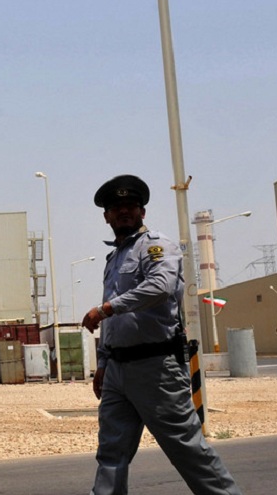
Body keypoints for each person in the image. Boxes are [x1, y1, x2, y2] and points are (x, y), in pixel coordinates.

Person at [81, 174, 241, 495]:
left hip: (155, 368)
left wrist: (107, 308)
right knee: (111, 452)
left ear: (142, 212)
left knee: (186, 448)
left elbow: (160, 286)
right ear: (106, 217)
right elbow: (115, 323)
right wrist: (103, 363)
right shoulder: (114, 259)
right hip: (117, 372)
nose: (124, 211)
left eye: (131, 206)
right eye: (116, 208)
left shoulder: (155, 246)